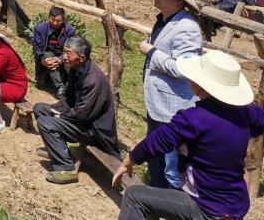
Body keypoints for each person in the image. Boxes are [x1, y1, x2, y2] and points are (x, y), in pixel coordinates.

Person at [113, 50, 264, 220]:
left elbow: (158, 140)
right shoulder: (246, 113)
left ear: (200, 84)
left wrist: (130, 159)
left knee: (134, 196)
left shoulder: (193, 119)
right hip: (235, 205)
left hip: (206, 207)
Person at [139, 0, 203, 189]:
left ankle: (172, 203)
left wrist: (151, 52)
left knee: (172, 166)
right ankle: (156, 197)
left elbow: (183, 68)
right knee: (156, 157)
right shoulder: (165, 21)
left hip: (172, 109)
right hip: (158, 105)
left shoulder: (187, 27)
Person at [34, 35, 119, 184]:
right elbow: (68, 97)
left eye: (68, 53)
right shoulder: (76, 68)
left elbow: (83, 115)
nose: (64, 57)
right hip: (80, 119)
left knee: (46, 123)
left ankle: (66, 168)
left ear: (82, 58)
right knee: (40, 109)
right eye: (64, 52)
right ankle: (56, 150)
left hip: (94, 131)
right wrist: (58, 109)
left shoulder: (93, 80)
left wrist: (61, 115)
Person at [32, 7, 76, 100]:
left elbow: (69, 50)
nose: (55, 23)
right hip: (45, 58)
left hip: (62, 58)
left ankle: (60, 87)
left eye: (58, 21)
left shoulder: (69, 31)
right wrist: (43, 61)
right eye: (53, 19)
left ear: (63, 20)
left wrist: (59, 59)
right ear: (49, 18)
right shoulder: (39, 28)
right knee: (40, 84)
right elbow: (38, 49)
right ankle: (56, 82)